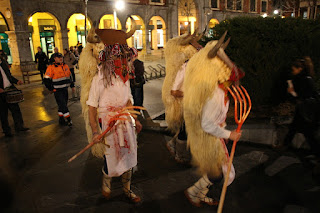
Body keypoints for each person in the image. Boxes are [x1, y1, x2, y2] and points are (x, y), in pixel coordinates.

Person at [84, 21, 142, 203]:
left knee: (130, 156)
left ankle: (127, 189)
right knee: (112, 158)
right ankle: (106, 183)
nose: (126, 63)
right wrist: (95, 131)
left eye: (126, 59)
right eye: (123, 60)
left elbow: (128, 100)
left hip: (125, 121)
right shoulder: (99, 78)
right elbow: (92, 106)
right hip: (108, 122)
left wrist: (135, 119)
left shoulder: (124, 76)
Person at [183, 34, 243, 207]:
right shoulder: (215, 95)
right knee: (218, 174)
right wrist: (228, 134)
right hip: (208, 138)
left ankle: (198, 193)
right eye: (232, 79)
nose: (235, 83)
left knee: (220, 172)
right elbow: (207, 124)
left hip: (214, 137)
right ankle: (194, 192)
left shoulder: (221, 91)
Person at [281, 57, 320, 158]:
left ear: (300, 69)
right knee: (294, 127)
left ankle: (318, 155)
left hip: (306, 109)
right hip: (304, 108)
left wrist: (291, 92)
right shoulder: (305, 78)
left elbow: (301, 96)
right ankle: (284, 145)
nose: (292, 71)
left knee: (308, 133)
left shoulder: (304, 80)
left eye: (294, 69)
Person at [0, 56, 29, 137]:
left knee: (16, 109)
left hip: (10, 90)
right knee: (3, 113)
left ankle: (19, 126)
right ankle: (6, 131)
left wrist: (17, 81)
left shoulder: (3, 64)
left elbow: (9, 76)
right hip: (1, 93)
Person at [44, 53, 75, 126]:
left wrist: (72, 85)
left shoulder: (65, 66)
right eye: (58, 57)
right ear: (54, 58)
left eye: (61, 57)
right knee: (63, 105)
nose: (60, 58)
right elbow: (46, 79)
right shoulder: (51, 67)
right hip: (57, 90)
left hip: (65, 89)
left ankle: (61, 120)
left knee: (62, 105)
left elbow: (69, 77)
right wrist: (51, 88)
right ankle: (68, 119)